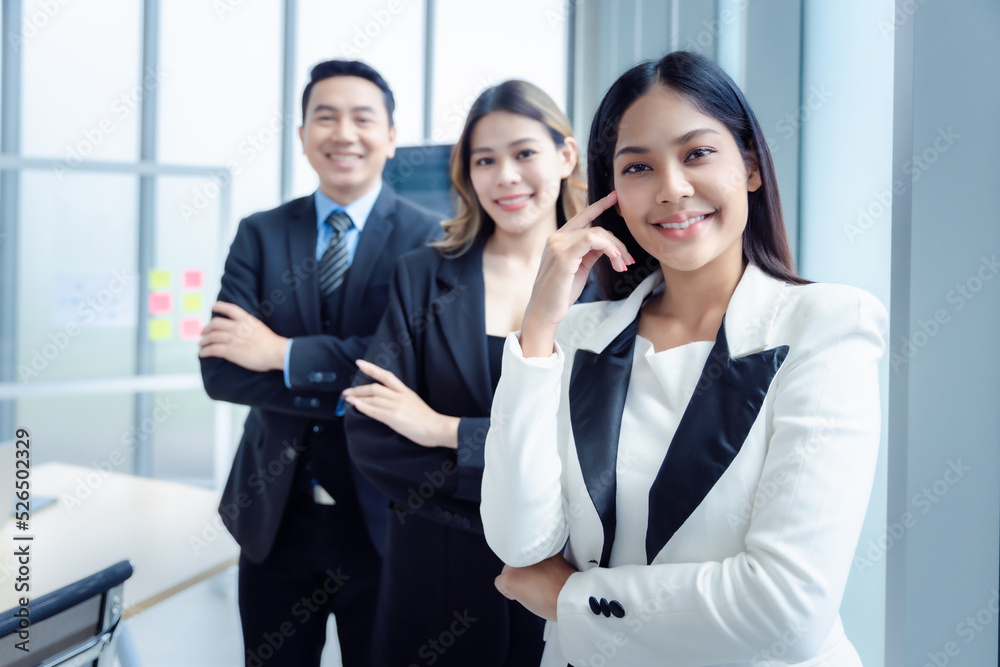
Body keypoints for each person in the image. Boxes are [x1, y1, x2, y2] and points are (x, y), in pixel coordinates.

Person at [480, 51, 887, 666]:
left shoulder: (825, 327)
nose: (672, 188)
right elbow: (519, 543)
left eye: (697, 153)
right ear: (613, 196)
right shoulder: (578, 336)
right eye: (638, 166)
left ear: (750, 166)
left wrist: (570, 598)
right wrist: (537, 327)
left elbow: (787, 609)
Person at [341, 80, 594, 666]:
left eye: (524, 153)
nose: (505, 176)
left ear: (566, 155)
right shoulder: (422, 275)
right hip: (436, 578)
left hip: (566, 578)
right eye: (485, 160)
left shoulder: (615, 281)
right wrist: (522, 490)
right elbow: (372, 434)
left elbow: (606, 447)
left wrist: (445, 430)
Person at [198, 59, 441, 666]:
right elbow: (222, 371)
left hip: (384, 518)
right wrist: (356, 382)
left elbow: (413, 370)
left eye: (363, 118)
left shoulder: (432, 240)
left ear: (391, 137)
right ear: (303, 135)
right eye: (325, 118)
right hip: (274, 517)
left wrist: (279, 354)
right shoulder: (260, 233)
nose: (344, 134)